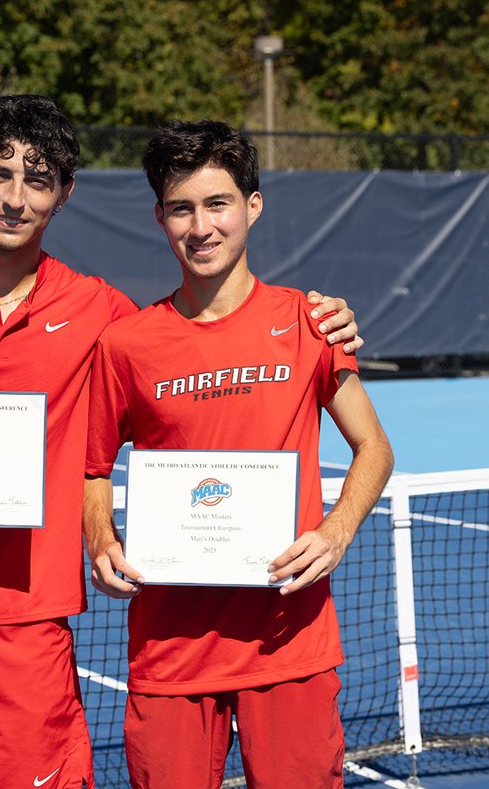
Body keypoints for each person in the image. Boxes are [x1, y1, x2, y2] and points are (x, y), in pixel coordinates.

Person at [0, 95, 363, 789]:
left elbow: (192, 347)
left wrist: (323, 320)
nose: (15, 199)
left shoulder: (103, 314)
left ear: (63, 193)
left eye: (37, 180)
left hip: (26, 627)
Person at [82, 120, 394, 789]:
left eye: (217, 204)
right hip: (170, 651)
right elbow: (92, 466)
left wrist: (336, 532)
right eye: (182, 208)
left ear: (252, 206)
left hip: (289, 644)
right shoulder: (126, 344)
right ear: (161, 218)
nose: (201, 227)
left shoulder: (311, 323)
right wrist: (100, 538)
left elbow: (374, 447)